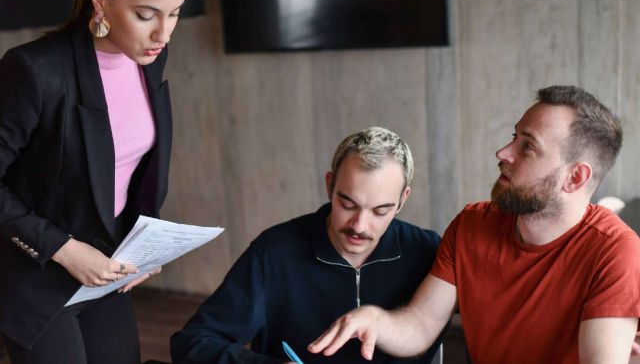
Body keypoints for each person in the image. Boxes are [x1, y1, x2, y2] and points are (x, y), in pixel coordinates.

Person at [309, 86, 640, 364]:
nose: (503, 152)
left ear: (575, 177)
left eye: (528, 147)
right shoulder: (472, 225)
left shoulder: (615, 250)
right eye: (514, 137)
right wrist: (375, 320)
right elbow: (422, 324)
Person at [0, 0, 187, 363]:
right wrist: (64, 248)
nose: (164, 32)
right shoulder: (34, 70)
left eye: (174, 13)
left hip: (107, 269)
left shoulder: (150, 57)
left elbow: (125, 168)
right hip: (37, 277)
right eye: (146, 15)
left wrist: (146, 239)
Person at [171, 127, 444, 363]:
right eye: (347, 204)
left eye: (380, 212)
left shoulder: (428, 251)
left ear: (403, 199)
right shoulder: (275, 252)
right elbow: (193, 343)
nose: (360, 225)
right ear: (329, 186)